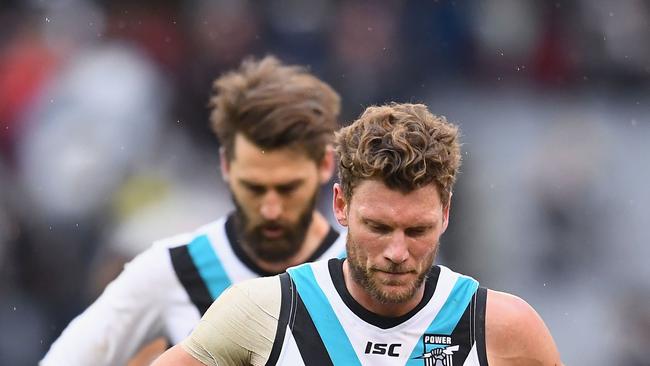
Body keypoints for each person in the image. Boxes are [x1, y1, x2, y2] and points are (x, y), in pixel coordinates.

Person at [152, 102, 563, 366]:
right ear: (341, 206)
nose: (397, 252)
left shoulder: (503, 329)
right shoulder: (264, 313)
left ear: (446, 214)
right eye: (379, 227)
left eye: (417, 229)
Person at [40, 55, 346, 365]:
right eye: (253, 187)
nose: (270, 208)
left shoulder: (358, 273)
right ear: (226, 165)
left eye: (287, 188)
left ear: (324, 165)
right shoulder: (174, 270)